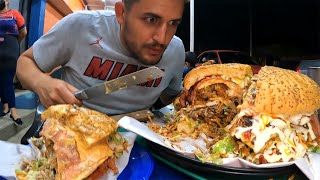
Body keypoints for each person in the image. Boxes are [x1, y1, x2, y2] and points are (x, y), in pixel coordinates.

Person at [17, 0, 186, 115]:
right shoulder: (81, 26)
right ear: (121, 13)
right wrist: (42, 83)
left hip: (139, 144)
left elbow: (170, 97)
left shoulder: (175, 50)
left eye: (173, 23)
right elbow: (25, 62)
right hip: (73, 132)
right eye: (151, 19)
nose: (162, 39)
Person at [0, 0, 27, 125]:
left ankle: (14, 112)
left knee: (8, 80)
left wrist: (15, 43)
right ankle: (5, 107)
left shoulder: (15, 14)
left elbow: (23, 32)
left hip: (10, 49)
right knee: (1, 80)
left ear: (7, 1)